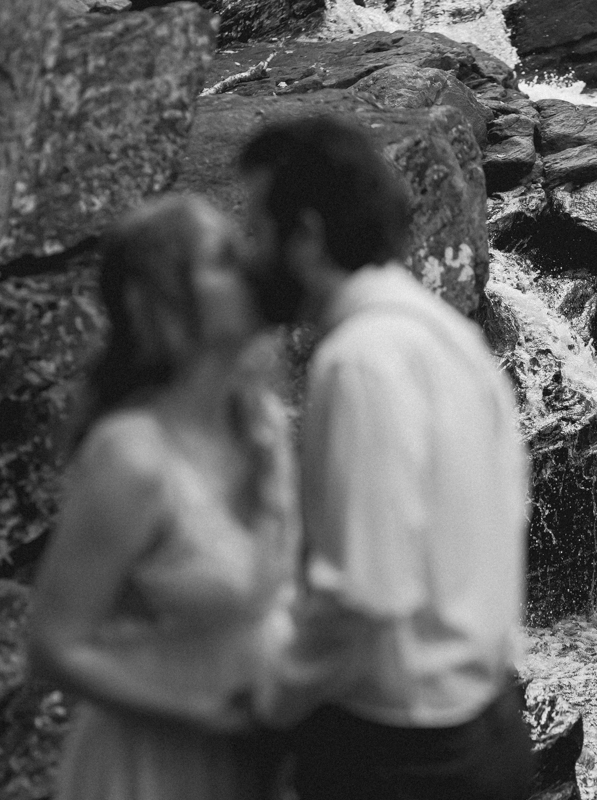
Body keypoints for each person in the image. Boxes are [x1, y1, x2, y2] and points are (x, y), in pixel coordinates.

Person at [238, 115, 536, 800]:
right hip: (486, 728)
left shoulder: (359, 360)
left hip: (405, 756)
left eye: (258, 231)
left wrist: (270, 698)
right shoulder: (446, 336)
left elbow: (365, 591)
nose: (250, 255)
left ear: (306, 236)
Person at [29, 195, 299, 800]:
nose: (253, 269)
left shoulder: (263, 424)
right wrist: (203, 713)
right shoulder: (131, 457)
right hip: (152, 771)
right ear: (160, 302)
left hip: (261, 763)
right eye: (223, 260)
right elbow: (53, 645)